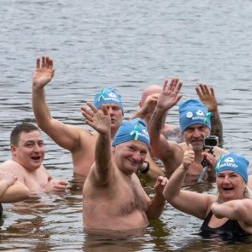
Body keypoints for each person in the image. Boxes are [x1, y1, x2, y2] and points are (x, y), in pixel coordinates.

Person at [31, 56, 159, 179]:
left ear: (122, 114)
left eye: (115, 108)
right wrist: (38, 89)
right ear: (94, 114)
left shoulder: (133, 143)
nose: (110, 113)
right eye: (104, 109)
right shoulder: (82, 139)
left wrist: (141, 165)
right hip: (84, 195)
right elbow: (45, 122)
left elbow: (159, 176)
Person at [81, 103, 167, 233]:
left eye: (143, 152)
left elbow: (151, 215)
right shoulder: (105, 175)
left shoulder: (132, 176)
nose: (137, 157)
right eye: (131, 148)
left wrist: (160, 195)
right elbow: (102, 163)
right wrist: (104, 135)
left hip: (133, 248)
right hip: (108, 247)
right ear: (114, 148)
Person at [163, 150, 252, 238]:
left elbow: (237, 209)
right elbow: (171, 195)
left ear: (245, 182)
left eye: (233, 176)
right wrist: (183, 167)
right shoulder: (210, 203)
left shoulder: (251, 206)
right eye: (221, 176)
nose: (226, 181)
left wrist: (216, 208)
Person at [148, 78, 225, 181]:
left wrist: (213, 175)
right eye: (190, 129)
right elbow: (153, 139)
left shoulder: (222, 157)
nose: (197, 135)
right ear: (182, 132)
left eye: (201, 128)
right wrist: (160, 109)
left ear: (209, 130)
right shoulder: (174, 154)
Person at [133, 83, 224, 145]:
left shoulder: (178, 132)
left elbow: (215, 143)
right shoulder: (134, 129)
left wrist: (213, 112)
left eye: (160, 101)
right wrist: (142, 112)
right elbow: (122, 138)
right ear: (141, 105)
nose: (156, 105)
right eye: (151, 101)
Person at [0, 122, 68, 193]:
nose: (37, 150)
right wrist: (46, 191)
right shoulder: (10, 167)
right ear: (14, 150)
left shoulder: (40, 168)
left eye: (40, 144)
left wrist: (58, 186)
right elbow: (19, 202)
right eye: (29, 145)